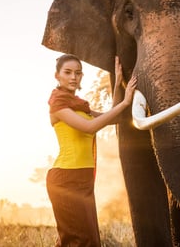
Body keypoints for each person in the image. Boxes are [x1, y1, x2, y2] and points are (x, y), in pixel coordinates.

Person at [46, 54, 137, 247]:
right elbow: (90, 127)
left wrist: (118, 84)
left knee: (88, 240)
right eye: (68, 72)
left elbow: (111, 118)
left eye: (78, 73)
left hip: (83, 179)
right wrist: (126, 102)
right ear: (57, 76)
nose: (73, 77)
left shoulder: (80, 106)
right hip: (65, 180)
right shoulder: (58, 105)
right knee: (80, 240)